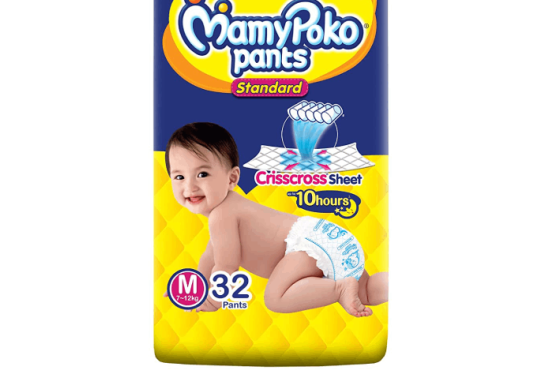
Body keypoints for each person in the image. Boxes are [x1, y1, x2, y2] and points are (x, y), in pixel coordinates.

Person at [165, 122, 388, 316]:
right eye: (179, 176)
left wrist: (214, 300)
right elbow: (210, 256)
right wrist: (192, 289)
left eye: (202, 174)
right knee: (366, 291)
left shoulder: (221, 216)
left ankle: (339, 289)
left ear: (232, 178)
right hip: (330, 238)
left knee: (275, 298)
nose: (189, 186)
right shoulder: (227, 213)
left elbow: (227, 266)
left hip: (307, 246)